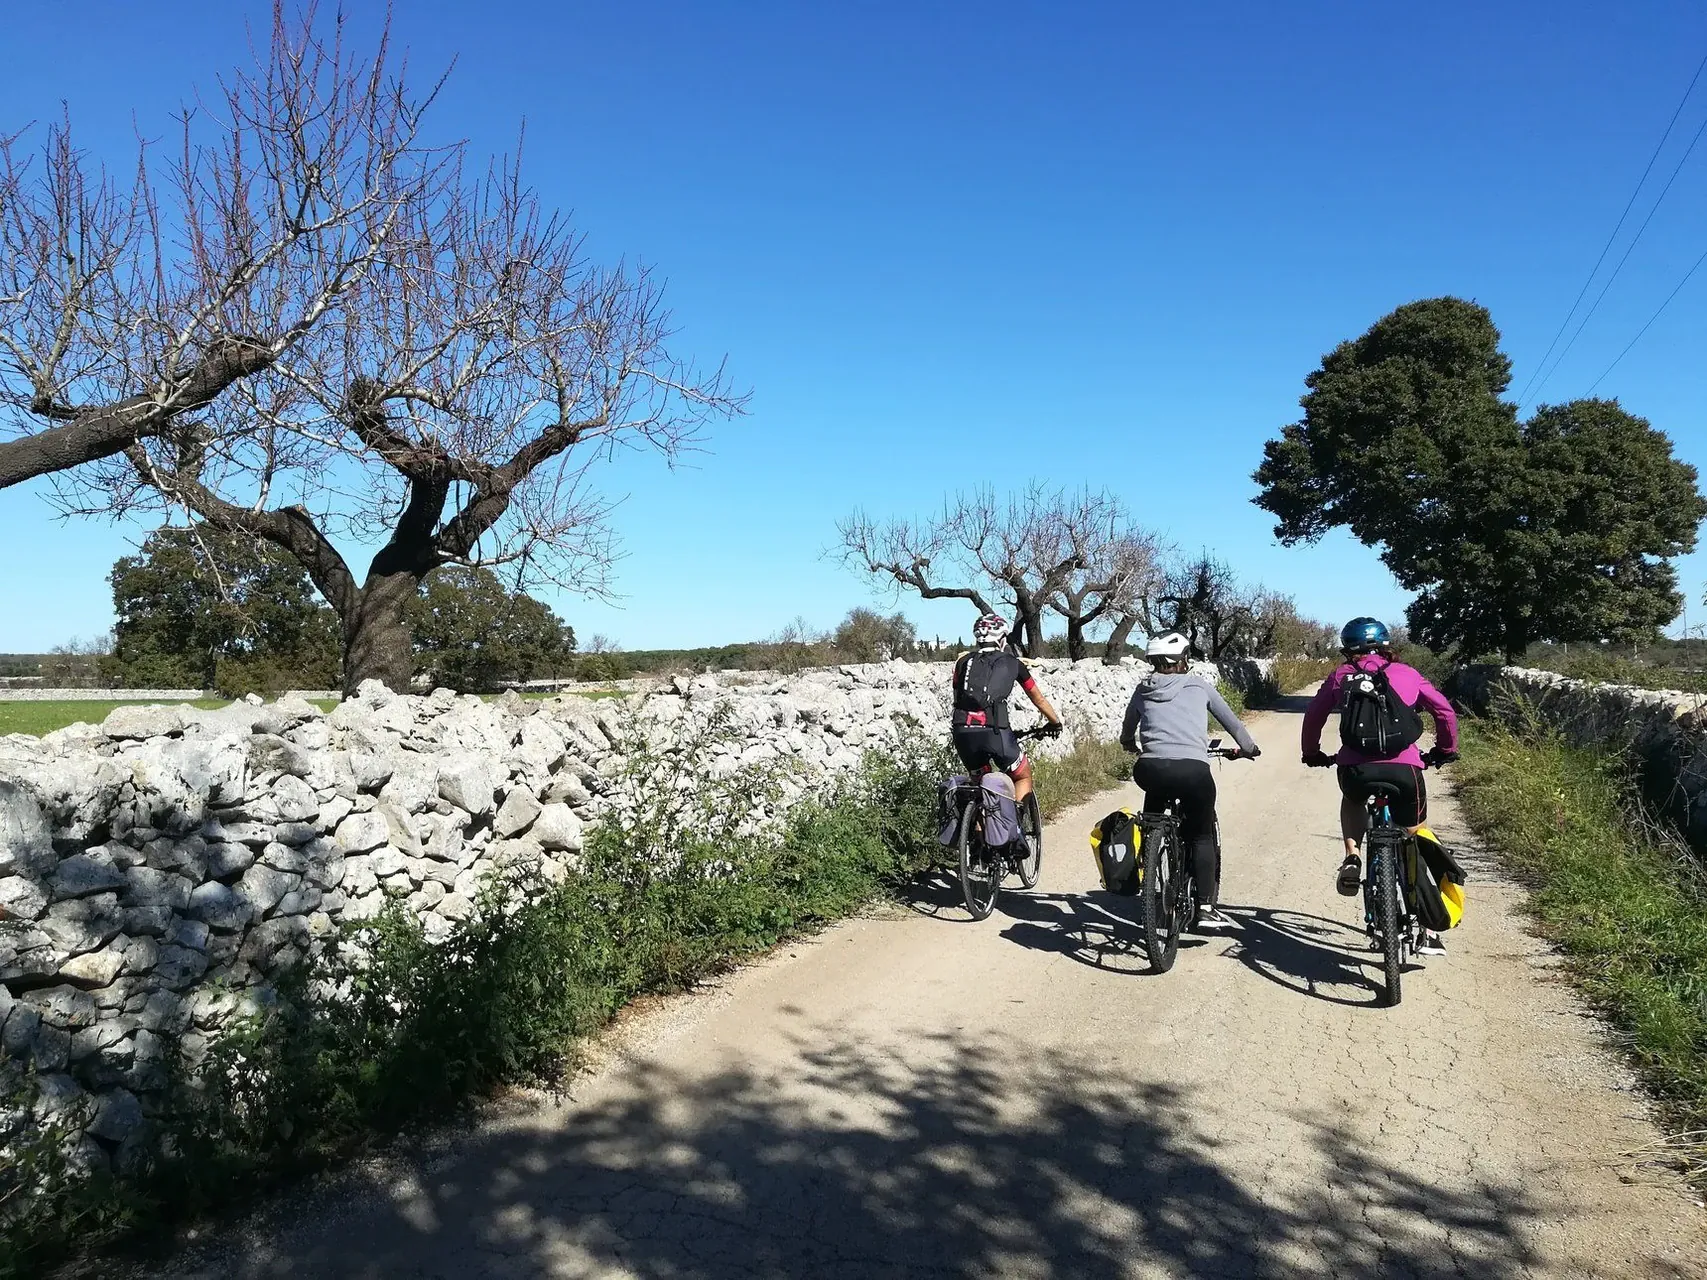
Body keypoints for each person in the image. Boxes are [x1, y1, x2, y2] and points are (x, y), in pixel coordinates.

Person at [1301, 617, 1459, 956]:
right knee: (1415, 834)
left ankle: (1353, 855)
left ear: (1348, 648)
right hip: (1405, 771)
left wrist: (1312, 754)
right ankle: (1429, 929)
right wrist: (1446, 750)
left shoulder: (1341, 677)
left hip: (1356, 769)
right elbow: (1444, 711)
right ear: (1387, 645)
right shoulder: (1408, 674)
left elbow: (1314, 714)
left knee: (1353, 800)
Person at [1119, 632, 1260, 931]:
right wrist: (1248, 748)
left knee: (1153, 814)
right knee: (1201, 835)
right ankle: (1206, 907)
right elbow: (1232, 723)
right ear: (1183, 660)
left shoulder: (1143, 688)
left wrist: (1130, 744)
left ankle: (1149, 870)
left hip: (1150, 770)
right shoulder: (1198, 685)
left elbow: (1128, 730)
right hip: (1193, 772)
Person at [950, 613, 1063, 806]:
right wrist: (1055, 723)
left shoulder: (962, 663)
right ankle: (1015, 827)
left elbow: (956, 698)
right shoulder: (1013, 663)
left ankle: (978, 830)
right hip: (995, 732)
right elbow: (1039, 699)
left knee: (979, 790)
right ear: (1002, 639)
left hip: (962, 732)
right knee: (1022, 776)